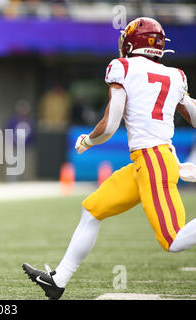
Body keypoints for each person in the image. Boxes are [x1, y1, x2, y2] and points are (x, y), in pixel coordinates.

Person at [22, 17, 196, 300]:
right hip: (147, 162)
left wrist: (88, 140)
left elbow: (111, 123)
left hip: (153, 162)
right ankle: (58, 280)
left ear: (131, 43)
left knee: (173, 240)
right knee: (92, 209)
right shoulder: (175, 75)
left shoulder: (122, 67)